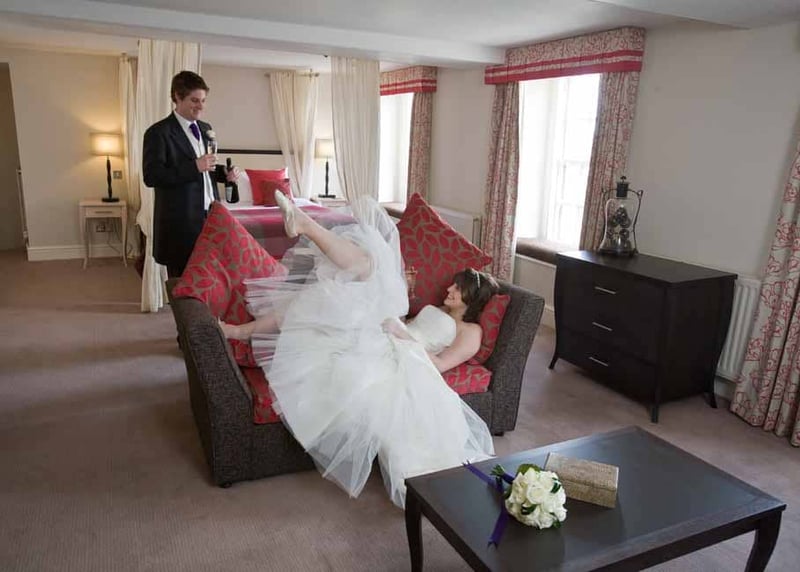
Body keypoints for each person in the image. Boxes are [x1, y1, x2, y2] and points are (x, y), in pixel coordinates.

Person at [221, 191, 499, 508]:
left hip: (402, 357)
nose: (449, 288)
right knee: (335, 289)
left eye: (458, 288)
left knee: (350, 280)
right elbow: (409, 325)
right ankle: (299, 233)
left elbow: (437, 365)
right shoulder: (440, 310)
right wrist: (396, 320)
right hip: (387, 333)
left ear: (471, 297)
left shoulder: (470, 332)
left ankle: (302, 230)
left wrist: (401, 334)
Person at [142, 70, 239, 278]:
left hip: (210, 218)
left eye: (203, 100)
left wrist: (223, 173)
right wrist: (194, 166)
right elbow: (152, 176)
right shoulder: (158, 133)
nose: (201, 107)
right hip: (180, 224)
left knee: (210, 279)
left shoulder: (205, 128)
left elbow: (206, 169)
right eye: (195, 100)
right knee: (183, 285)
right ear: (177, 97)